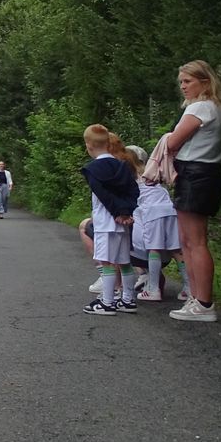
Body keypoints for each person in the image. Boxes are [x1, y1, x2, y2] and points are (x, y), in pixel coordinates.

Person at [160, 61, 221, 323]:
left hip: (195, 174)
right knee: (191, 240)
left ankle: (202, 302)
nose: (183, 87)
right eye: (181, 82)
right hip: (208, 173)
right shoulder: (219, 108)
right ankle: (197, 298)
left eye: (188, 81)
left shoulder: (201, 107)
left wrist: (167, 138)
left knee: (193, 241)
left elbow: (175, 140)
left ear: (205, 81)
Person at [80, 124, 139, 315]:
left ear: (88, 145)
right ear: (108, 142)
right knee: (124, 262)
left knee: (106, 262)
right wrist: (127, 212)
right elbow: (134, 190)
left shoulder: (93, 169)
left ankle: (107, 301)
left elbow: (103, 194)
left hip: (106, 222)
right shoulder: (121, 165)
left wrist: (117, 213)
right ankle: (128, 299)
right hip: (123, 223)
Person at [126, 145, 182, 302]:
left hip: (151, 212)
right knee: (177, 250)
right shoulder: (151, 171)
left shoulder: (130, 177)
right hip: (170, 210)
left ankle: (153, 288)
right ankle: (189, 288)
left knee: (153, 248)